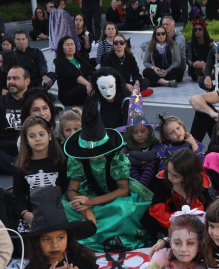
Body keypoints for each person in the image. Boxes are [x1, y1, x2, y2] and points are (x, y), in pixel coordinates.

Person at [63, 91, 152, 250]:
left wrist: (92, 202)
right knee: (65, 208)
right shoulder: (77, 158)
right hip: (89, 193)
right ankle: (93, 236)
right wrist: (83, 206)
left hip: (115, 194)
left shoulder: (116, 157)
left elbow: (123, 190)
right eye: (88, 154)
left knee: (124, 209)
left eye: (96, 153)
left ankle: (111, 238)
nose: (92, 157)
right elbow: (71, 189)